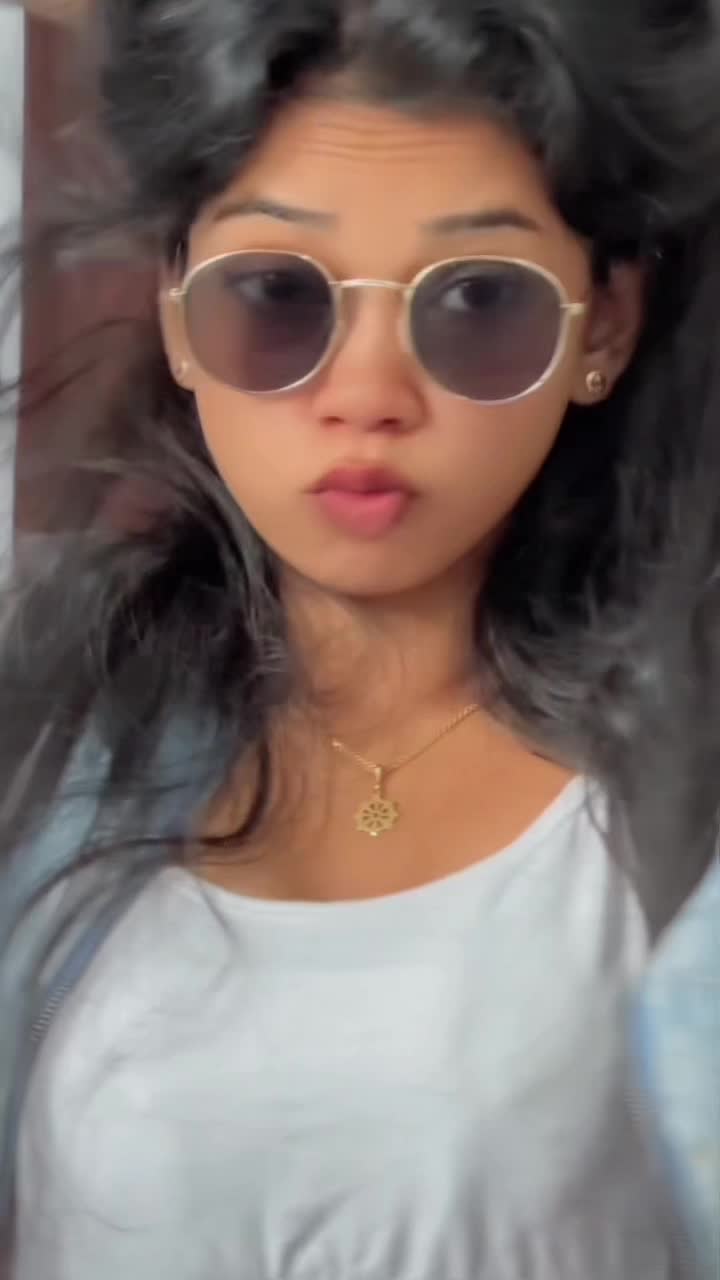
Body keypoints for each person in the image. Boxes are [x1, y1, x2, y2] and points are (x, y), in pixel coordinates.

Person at [0, 0, 718, 1275]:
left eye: (479, 301)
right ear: (177, 307)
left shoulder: (680, 815)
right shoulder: (42, 758)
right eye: (279, 296)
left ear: (602, 326)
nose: (369, 396)